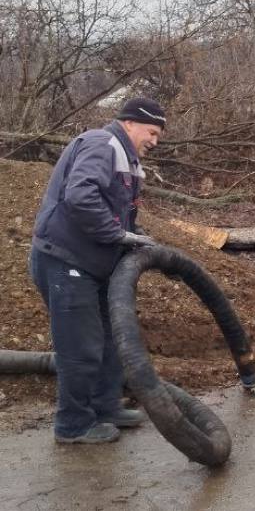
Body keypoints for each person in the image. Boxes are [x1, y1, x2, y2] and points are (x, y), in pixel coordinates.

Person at [30, 97, 166, 444]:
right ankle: (73, 425)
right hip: (65, 261)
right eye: (152, 131)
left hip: (94, 266)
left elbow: (123, 217)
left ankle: (106, 408)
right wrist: (119, 236)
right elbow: (80, 197)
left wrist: (137, 243)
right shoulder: (101, 144)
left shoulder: (130, 161)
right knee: (81, 347)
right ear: (131, 123)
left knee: (111, 340)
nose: (155, 141)